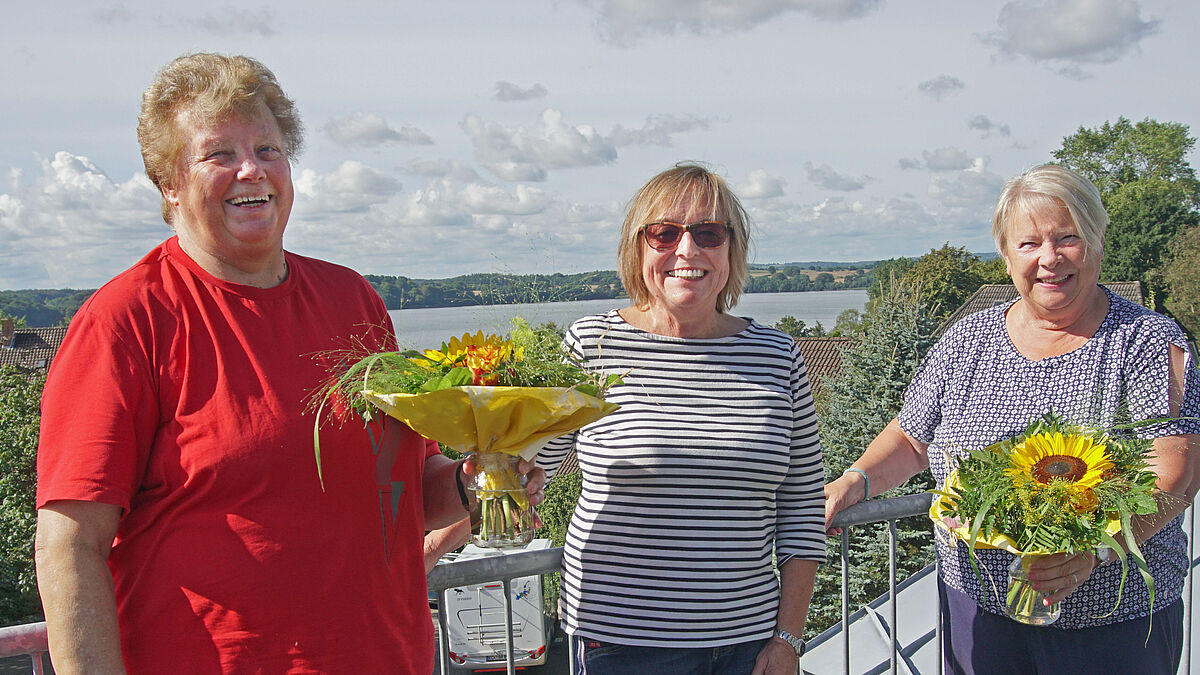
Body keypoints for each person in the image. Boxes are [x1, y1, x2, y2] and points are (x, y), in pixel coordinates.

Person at [33, 53, 538, 674]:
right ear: (168, 184)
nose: (252, 169)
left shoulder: (355, 302)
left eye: (268, 148)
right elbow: (69, 547)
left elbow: (401, 491)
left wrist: (477, 480)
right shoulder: (126, 322)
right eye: (219, 154)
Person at [824, 163, 1200, 673]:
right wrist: (856, 480)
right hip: (977, 614)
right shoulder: (967, 339)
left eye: (1068, 237)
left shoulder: (1148, 342)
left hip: (1112, 626)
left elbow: (1176, 473)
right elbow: (913, 438)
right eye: (1029, 244)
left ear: (1096, 244)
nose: (1049, 258)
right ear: (1005, 256)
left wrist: (1095, 552)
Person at [536, 163, 826, 675]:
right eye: (664, 233)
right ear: (638, 249)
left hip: (749, 645)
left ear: (730, 251)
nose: (687, 251)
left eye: (708, 233)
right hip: (623, 644)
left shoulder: (778, 357)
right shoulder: (591, 347)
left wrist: (787, 639)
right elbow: (533, 468)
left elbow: (802, 511)